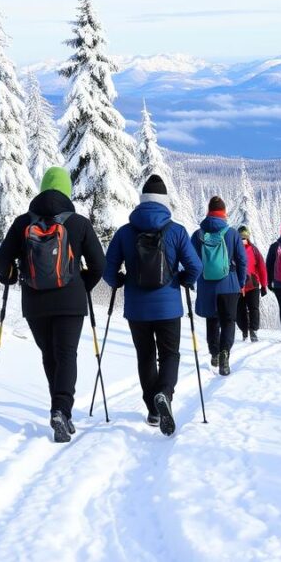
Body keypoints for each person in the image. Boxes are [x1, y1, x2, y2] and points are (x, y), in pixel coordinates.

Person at [0, 167, 104, 443]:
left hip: (35, 303)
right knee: (66, 354)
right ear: (67, 191)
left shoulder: (22, 223)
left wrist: (9, 277)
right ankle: (61, 410)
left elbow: (1, 260)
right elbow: (99, 265)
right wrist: (81, 283)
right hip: (71, 302)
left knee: (50, 355)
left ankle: (58, 407)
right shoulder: (79, 223)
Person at [103, 175, 201, 435]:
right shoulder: (176, 230)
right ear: (165, 201)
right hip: (169, 307)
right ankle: (164, 394)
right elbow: (196, 266)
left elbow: (107, 270)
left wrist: (120, 281)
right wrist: (182, 280)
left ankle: (153, 410)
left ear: (142, 200)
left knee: (145, 355)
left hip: (137, 309)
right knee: (170, 354)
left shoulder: (125, 232)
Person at [190, 196, 246, 376]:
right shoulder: (232, 234)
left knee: (212, 320)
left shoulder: (198, 234)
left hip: (207, 286)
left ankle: (214, 353)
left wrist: (192, 281)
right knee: (228, 321)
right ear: (224, 214)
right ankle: (224, 353)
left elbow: (191, 261)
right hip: (229, 285)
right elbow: (242, 260)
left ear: (208, 212)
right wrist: (241, 282)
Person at [236, 225, 268, 343]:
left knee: (241, 309)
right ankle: (251, 330)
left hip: (240, 286)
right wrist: (264, 285)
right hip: (252, 284)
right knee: (253, 308)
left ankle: (247, 330)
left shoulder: (233, 249)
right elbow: (262, 267)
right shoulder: (254, 249)